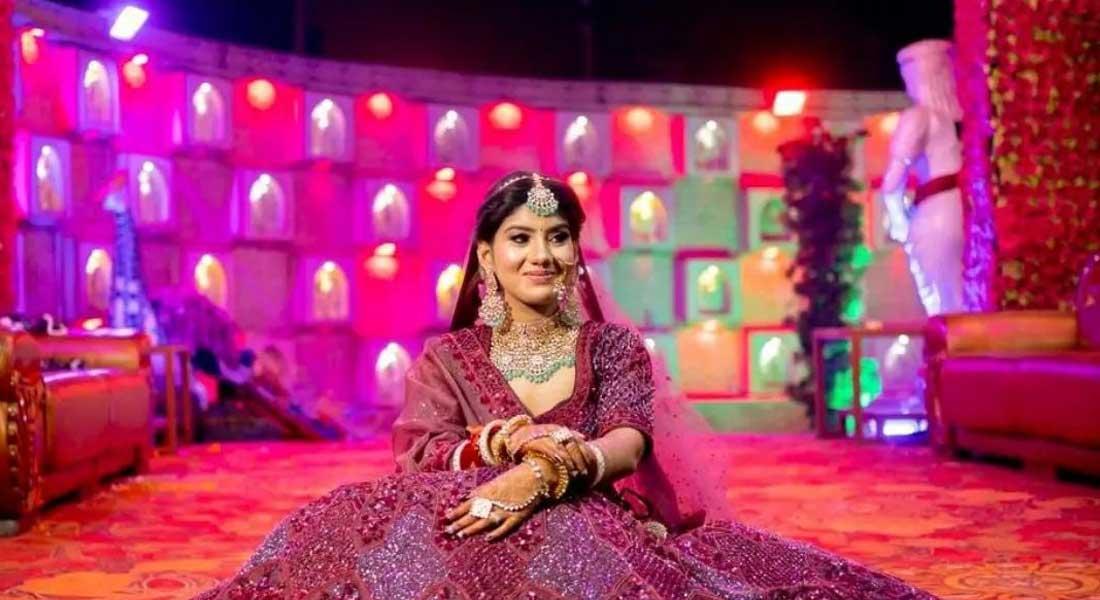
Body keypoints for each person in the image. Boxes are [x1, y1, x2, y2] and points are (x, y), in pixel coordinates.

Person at [196, 172, 936, 599]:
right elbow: (420, 452)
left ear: (577, 255)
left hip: (583, 513)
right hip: (461, 508)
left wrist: (549, 471)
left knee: (573, 550)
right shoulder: (450, 356)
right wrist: (506, 447)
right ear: (487, 256)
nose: (542, 255)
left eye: (557, 238)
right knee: (338, 527)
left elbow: (627, 441)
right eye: (520, 238)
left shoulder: (611, 346)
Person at [882, 39, 967, 316]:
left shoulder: (919, 116)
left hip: (934, 214)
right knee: (963, 295)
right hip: (963, 209)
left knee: (939, 301)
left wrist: (899, 221)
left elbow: (892, 181)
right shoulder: (960, 118)